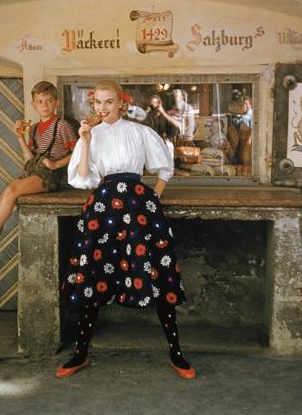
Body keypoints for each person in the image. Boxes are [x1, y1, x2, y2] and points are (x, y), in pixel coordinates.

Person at [57, 79, 196, 380]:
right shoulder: (88, 136)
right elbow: (83, 178)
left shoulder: (140, 131)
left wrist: (152, 197)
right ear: (92, 105)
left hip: (138, 210)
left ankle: (176, 353)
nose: (103, 108)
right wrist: (86, 140)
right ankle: (80, 353)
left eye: (109, 102)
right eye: (98, 103)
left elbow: (164, 169)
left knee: (155, 273)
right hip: (103, 209)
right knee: (93, 275)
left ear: (121, 102)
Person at [0, 81, 77, 271]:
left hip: (50, 176)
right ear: (33, 105)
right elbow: (30, 159)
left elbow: (78, 152)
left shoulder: (62, 126)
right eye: (40, 101)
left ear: (56, 103)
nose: (44, 105)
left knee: (12, 190)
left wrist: (56, 163)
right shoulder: (35, 128)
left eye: (49, 101)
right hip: (33, 171)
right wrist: (20, 137)